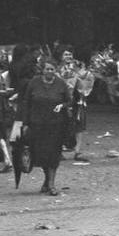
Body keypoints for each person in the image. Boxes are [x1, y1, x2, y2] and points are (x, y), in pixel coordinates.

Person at [21, 55, 70, 195]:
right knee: (41, 155)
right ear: (42, 70)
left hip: (56, 125)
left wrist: (62, 105)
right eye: (47, 69)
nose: (49, 71)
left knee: (53, 154)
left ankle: (51, 184)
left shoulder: (61, 84)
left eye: (52, 69)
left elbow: (69, 101)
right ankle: (47, 179)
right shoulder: (34, 83)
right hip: (37, 125)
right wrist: (25, 123)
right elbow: (27, 103)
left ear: (56, 70)